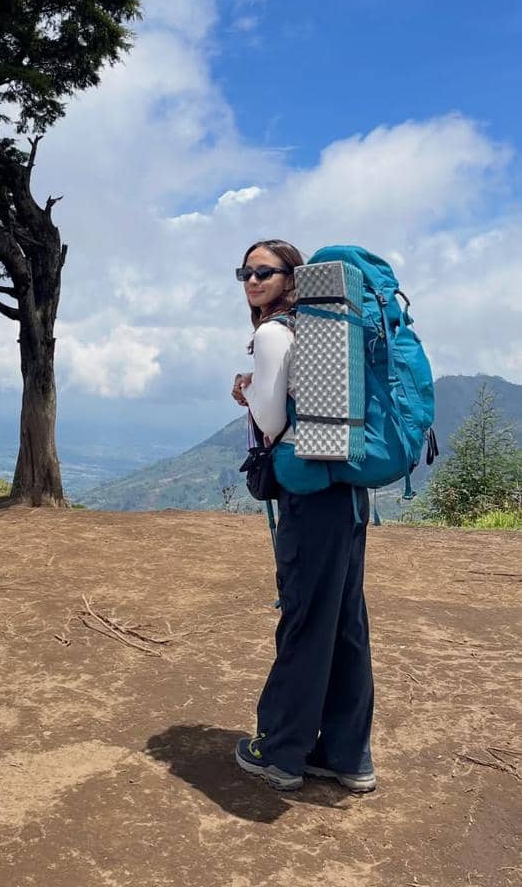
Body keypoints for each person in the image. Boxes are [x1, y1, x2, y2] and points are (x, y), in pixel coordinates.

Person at [230, 239, 376, 794]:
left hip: (309, 497)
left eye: (264, 271)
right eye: (245, 271)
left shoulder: (273, 333)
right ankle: (346, 755)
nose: (251, 280)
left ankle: (282, 753)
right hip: (347, 495)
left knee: (305, 620)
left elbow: (270, 421)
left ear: (295, 278)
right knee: (345, 624)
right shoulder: (322, 333)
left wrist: (247, 394)